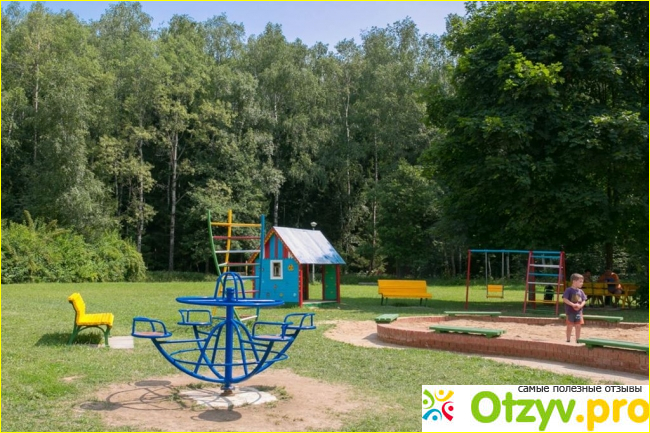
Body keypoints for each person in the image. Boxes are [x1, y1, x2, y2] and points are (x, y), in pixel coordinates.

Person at [563, 273, 587, 343]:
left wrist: (580, 306)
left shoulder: (581, 291)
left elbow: (584, 300)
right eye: (580, 281)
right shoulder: (568, 290)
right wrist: (573, 304)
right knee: (570, 325)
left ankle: (578, 339)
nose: (582, 283)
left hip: (578, 312)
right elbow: (565, 299)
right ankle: (568, 339)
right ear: (574, 281)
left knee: (578, 325)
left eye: (582, 282)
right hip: (570, 312)